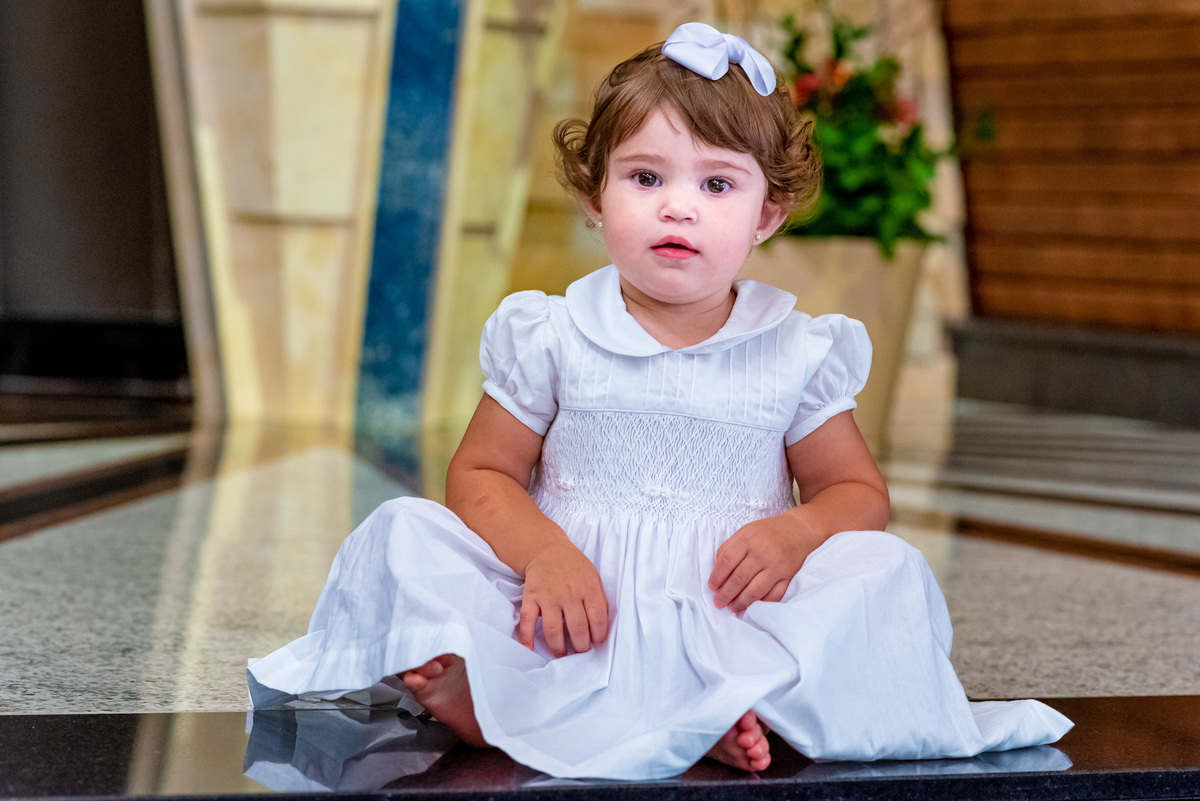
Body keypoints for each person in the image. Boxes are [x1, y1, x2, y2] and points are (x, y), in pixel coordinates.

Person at [247, 22, 1072, 780]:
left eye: (717, 184)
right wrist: (544, 553)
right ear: (594, 194)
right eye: (646, 177)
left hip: (727, 617)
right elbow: (481, 472)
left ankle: (718, 702)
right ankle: (494, 694)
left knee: (885, 570)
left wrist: (796, 532)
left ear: (767, 213)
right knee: (404, 531)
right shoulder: (554, 334)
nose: (678, 205)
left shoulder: (794, 351)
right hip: (571, 619)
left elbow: (856, 492)